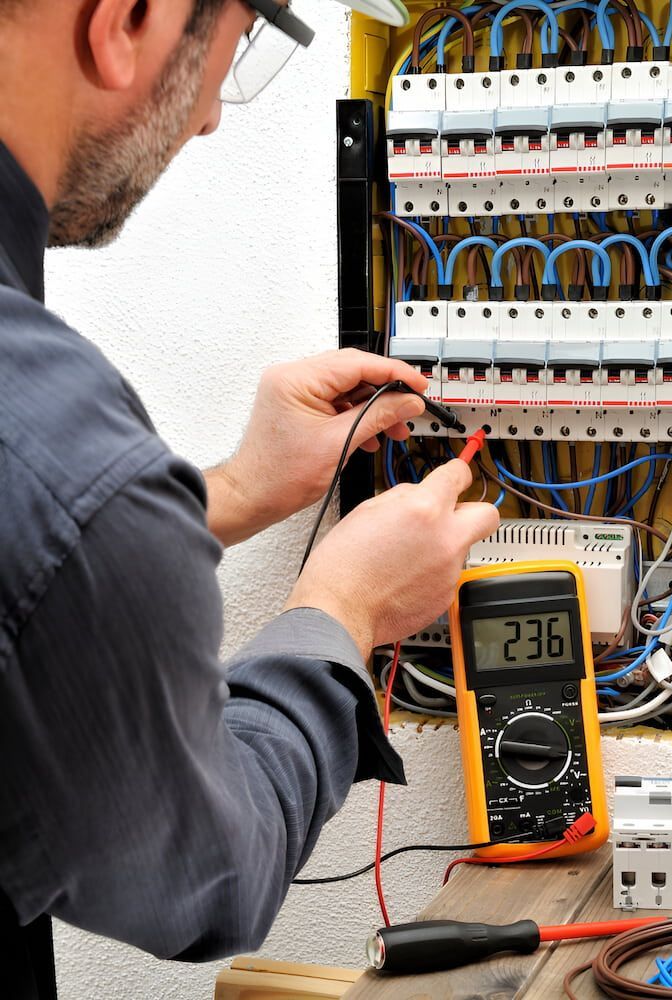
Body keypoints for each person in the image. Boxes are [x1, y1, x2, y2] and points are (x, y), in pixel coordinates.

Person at [0, 1, 499, 997]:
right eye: (231, 53)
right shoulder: (55, 442)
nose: (211, 120)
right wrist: (341, 610)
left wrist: (230, 492)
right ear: (125, 19)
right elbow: (204, 878)